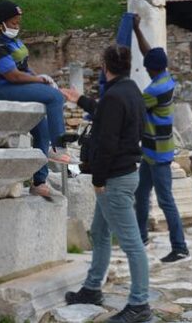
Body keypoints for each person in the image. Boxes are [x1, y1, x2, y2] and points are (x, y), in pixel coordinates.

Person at [61, 45, 152, 323]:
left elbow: (108, 142)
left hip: (114, 179)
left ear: (104, 66)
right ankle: (92, 288)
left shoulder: (114, 96)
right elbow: (110, 115)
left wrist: (98, 180)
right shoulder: (131, 90)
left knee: (132, 243)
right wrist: (81, 100)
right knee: (100, 232)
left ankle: (139, 304)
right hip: (125, 173)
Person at [0, 0, 74, 197]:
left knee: (42, 131)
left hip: (17, 86)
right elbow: (13, 75)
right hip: (3, 88)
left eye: (18, 22)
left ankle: (39, 182)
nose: (17, 26)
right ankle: (58, 147)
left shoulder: (13, 41)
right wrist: (38, 80)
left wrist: (42, 79)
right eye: (13, 22)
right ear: (1, 23)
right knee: (54, 98)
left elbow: (23, 68)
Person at [132, 14, 190, 263]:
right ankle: (141, 236)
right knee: (141, 193)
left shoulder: (155, 90)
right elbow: (150, 54)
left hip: (159, 153)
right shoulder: (165, 77)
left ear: (152, 69)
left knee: (166, 201)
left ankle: (180, 247)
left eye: (147, 66)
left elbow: (133, 106)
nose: (145, 68)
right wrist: (136, 30)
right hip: (150, 151)